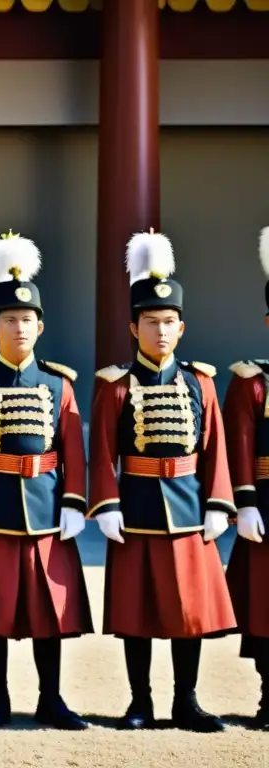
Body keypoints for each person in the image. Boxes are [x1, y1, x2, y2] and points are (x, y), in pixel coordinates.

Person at [88, 229, 236, 732]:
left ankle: (186, 700)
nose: (160, 331)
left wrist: (219, 504)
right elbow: (101, 451)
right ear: (133, 328)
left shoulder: (201, 381)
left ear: (181, 326)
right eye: (150, 322)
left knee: (187, 612)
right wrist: (106, 505)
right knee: (137, 611)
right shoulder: (114, 384)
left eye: (168, 322)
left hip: (191, 506)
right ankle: (140, 701)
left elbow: (216, 446)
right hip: (137, 507)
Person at [0, 231, 91, 730]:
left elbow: (73, 445)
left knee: (48, 612)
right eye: (9, 319)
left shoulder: (58, 382)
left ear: (40, 325)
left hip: (48, 507)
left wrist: (76, 501)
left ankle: (51, 698)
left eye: (27, 319)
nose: (20, 327)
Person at [222, 225, 269, 732]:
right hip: (268, 510)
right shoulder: (253, 382)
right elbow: (238, 442)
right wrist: (245, 502)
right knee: (267, 615)